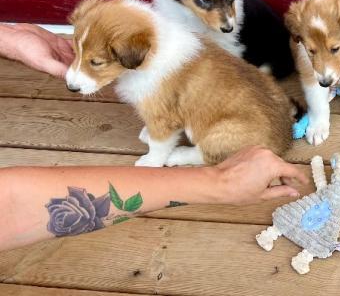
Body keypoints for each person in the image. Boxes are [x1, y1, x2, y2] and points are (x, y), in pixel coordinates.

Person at [0, 24, 308, 251]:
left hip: (239, 129)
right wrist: (218, 183)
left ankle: (202, 154)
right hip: (246, 119)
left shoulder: (155, 66)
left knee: (175, 123)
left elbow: (12, 203)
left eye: (94, 62)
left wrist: (9, 37)